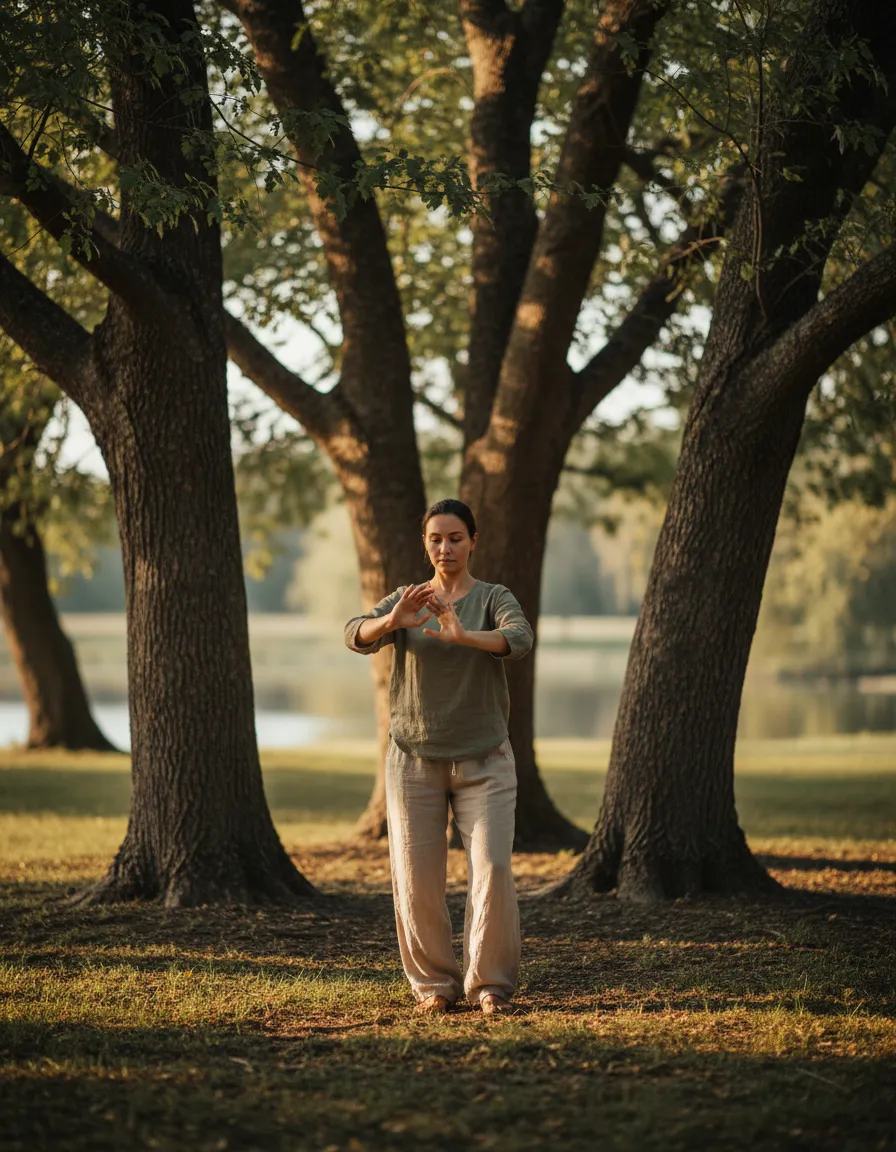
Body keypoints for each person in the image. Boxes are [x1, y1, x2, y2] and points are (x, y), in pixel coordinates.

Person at [344, 498, 533, 1015]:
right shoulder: (409, 599)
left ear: (472, 541)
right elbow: (354, 633)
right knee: (416, 877)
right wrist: (390, 621)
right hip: (414, 761)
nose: (445, 548)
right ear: (425, 544)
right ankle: (433, 986)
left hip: (485, 759)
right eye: (435, 539)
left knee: (493, 867)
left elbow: (519, 639)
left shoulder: (493, 597)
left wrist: (464, 636)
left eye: (455, 538)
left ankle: (489, 985)